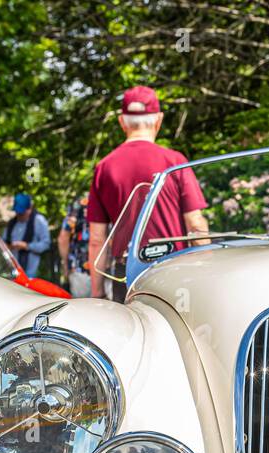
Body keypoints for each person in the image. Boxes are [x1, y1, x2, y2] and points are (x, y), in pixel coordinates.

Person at [87, 86, 209, 301]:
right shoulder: (175, 162)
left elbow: (97, 239)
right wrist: (207, 272)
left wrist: (97, 293)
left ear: (122, 122)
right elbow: (196, 225)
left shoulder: (104, 167)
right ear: (158, 120)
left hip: (126, 275)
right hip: (172, 271)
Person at [3, 192, 50, 279]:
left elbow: (46, 244)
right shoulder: (12, 223)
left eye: (22, 212)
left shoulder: (39, 221)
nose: (19, 215)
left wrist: (27, 246)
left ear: (29, 209)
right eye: (17, 212)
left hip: (31, 274)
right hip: (12, 273)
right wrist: (8, 246)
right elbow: (3, 242)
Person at [57, 194, 91, 298]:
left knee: (82, 311)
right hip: (110, 270)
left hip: (81, 270)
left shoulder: (81, 203)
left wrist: (65, 266)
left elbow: (63, 238)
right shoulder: (118, 197)